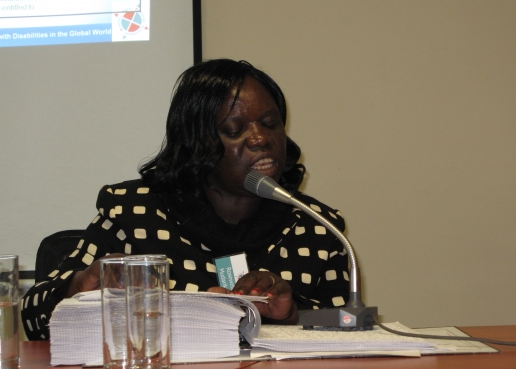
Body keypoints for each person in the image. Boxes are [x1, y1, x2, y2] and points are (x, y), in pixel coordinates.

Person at [21, 59, 349, 341]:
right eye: (235, 130)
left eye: (270, 124)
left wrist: (289, 314)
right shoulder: (132, 214)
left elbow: (351, 332)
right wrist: (80, 285)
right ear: (196, 144)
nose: (261, 138)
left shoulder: (316, 226)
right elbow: (35, 320)